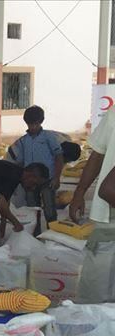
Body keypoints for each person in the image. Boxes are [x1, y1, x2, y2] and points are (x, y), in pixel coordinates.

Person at [70, 108, 115, 303]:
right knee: (97, 281)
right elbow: (97, 157)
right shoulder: (114, 114)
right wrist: (79, 193)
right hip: (108, 211)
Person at [8, 105, 64, 222]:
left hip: (47, 179)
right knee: (32, 209)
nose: (33, 127)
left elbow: (58, 156)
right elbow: (20, 162)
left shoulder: (49, 137)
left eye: (35, 124)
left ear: (41, 122)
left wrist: (57, 177)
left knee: (49, 208)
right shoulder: (23, 141)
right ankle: (34, 230)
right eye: (30, 124)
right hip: (30, 180)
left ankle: (51, 229)